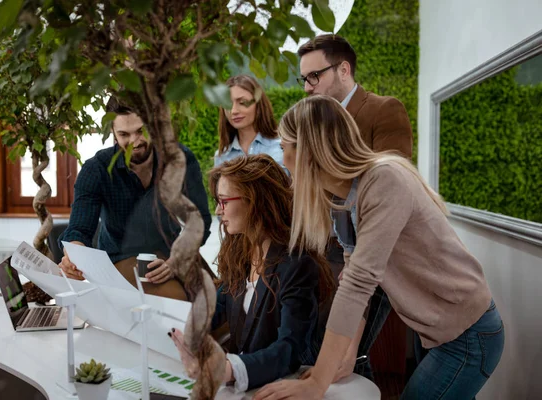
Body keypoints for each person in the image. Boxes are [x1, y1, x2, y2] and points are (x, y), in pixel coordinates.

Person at [254, 95, 504, 400]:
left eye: (284, 148)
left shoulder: (384, 181)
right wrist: (348, 355)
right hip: (434, 328)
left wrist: (317, 381)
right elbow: (358, 280)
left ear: (308, 150)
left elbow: (359, 283)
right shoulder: (342, 197)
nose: (283, 159)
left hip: (467, 333)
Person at [297, 33, 414, 380]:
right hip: (324, 254)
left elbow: (393, 191)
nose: (307, 87)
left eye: (314, 76)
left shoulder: (383, 109)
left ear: (344, 69)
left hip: (371, 257)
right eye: (303, 79)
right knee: (320, 351)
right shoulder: (316, 120)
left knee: (350, 357)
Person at [168, 155, 337, 392]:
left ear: (255, 201)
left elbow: (289, 349)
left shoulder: (298, 265)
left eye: (224, 201)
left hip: (282, 389)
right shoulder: (240, 253)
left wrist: (227, 370)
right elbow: (216, 306)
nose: (218, 210)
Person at [58, 96, 213, 299]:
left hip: (173, 253)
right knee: (178, 302)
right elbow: (78, 230)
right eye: (124, 134)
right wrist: (73, 257)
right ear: (112, 133)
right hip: (122, 257)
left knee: (226, 302)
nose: (135, 141)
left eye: (141, 131)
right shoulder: (96, 169)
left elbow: (200, 219)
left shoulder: (180, 159)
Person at [213, 75, 284, 168]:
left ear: (258, 104)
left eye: (242, 102)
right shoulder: (221, 157)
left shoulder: (282, 148)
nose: (234, 111)